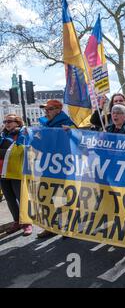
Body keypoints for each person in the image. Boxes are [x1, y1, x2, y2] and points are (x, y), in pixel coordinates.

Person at [37, 100, 75, 238]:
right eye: (45, 109)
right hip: (47, 167)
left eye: (50, 109)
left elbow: (80, 140)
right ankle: (51, 227)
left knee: (61, 199)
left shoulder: (68, 123)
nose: (46, 111)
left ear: (59, 110)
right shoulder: (44, 125)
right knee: (45, 198)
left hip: (62, 168)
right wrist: (33, 137)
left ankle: (68, 227)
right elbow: (40, 147)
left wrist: (71, 132)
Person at [0, 114, 32, 236]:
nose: (7, 123)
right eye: (5, 121)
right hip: (2, 171)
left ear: (18, 122)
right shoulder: (2, 135)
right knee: (10, 199)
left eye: (10, 121)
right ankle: (17, 221)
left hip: (17, 171)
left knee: (21, 197)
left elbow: (22, 150)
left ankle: (27, 223)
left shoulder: (24, 133)